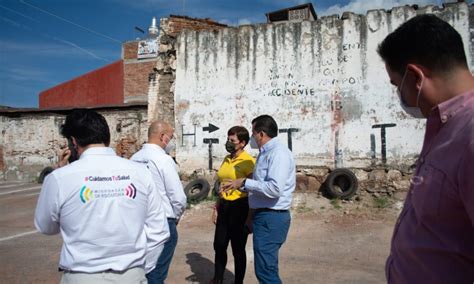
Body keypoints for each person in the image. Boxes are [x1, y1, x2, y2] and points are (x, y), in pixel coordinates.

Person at [378, 14, 474, 283]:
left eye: (397, 85)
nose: (400, 96)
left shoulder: (469, 133)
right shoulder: (448, 126)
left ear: (416, 77)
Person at [34, 109, 170, 283]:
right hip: (132, 275)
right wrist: (142, 267)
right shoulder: (141, 172)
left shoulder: (59, 178)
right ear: (107, 138)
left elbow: (46, 226)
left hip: (82, 276)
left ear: (73, 142)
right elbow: (159, 231)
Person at [222, 115, 295, 284]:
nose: (252, 137)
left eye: (253, 132)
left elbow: (275, 189)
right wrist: (239, 185)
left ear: (261, 134)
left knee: (265, 271)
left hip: (272, 217)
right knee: (266, 268)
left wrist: (246, 182)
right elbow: (260, 185)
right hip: (264, 216)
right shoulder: (265, 153)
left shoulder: (278, 154)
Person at [131, 120, 187, 284]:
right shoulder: (163, 160)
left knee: (141, 270)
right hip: (163, 222)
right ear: (163, 137)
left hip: (139, 222)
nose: (171, 141)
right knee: (156, 273)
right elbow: (178, 197)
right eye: (170, 137)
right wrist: (175, 217)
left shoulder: (134, 158)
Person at [211, 126, 255, 284]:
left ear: (242, 143)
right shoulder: (226, 158)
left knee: (238, 249)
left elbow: (252, 191)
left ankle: (238, 281)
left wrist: (250, 218)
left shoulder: (248, 162)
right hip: (224, 206)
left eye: (232, 141)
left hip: (240, 207)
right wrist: (216, 207)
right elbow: (221, 184)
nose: (228, 143)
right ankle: (218, 278)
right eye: (228, 139)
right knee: (219, 245)